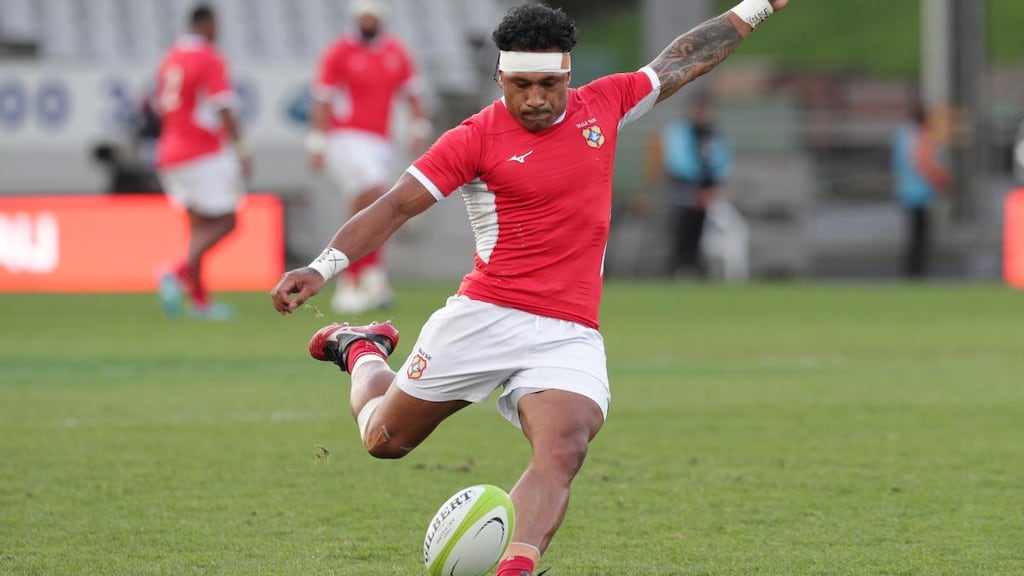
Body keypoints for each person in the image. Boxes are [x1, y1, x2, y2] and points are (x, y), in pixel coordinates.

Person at [271, 2, 787, 574]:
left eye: (548, 84)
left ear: (569, 74)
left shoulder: (606, 103)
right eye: (521, 85)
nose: (536, 99)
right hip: (485, 316)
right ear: (500, 78)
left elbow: (684, 59)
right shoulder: (473, 138)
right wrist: (320, 268)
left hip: (568, 330)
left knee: (564, 447)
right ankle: (361, 348)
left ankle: (513, 567)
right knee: (385, 440)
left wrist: (756, 6)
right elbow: (394, 206)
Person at [306, 0, 432, 314]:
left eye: (372, 16)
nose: (368, 21)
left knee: (367, 205)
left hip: (380, 142)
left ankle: (355, 281)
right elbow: (323, 99)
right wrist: (318, 142)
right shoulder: (340, 52)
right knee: (375, 194)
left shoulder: (395, 52)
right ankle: (367, 277)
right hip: (345, 138)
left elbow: (412, 93)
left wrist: (419, 125)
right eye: (364, 16)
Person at [155, 4, 250, 320]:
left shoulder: (171, 58)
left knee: (198, 230)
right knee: (227, 221)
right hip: (202, 151)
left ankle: (199, 301)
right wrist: (241, 147)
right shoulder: (208, 57)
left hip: (169, 150)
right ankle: (176, 272)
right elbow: (224, 106)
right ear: (207, 25)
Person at [662, 91, 733, 278]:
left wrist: (711, 186)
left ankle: (695, 267)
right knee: (682, 228)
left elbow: (721, 159)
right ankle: (678, 268)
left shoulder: (713, 133)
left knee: (701, 231)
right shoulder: (680, 131)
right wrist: (695, 187)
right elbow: (677, 160)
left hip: (706, 191)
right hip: (685, 189)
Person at [892, 102, 949, 279]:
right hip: (919, 191)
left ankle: (911, 271)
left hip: (904, 189)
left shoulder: (902, 134)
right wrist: (940, 178)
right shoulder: (920, 135)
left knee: (913, 234)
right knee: (920, 236)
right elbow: (923, 162)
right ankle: (916, 273)